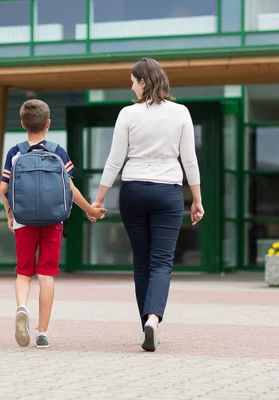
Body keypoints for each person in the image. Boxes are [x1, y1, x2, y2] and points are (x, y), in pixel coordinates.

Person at [88, 58, 204, 352]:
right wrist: (197, 199)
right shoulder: (180, 113)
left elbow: (115, 160)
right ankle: (153, 318)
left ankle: (145, 327)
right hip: (168, 192)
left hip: (134, 191)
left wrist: (99, 200)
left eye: (132, 81)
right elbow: (189, 160)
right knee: (161, 262)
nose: (131, 86)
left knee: (142, 261)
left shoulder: (128, 114)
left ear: (144, 82)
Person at [0, 99, 106, 349]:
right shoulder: (58, 151)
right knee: (46, 276)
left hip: (23, 220)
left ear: (23, 123)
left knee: (24, 272)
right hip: (53, 222)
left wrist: (9, 213)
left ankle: (22, 308)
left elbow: (4, 188)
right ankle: (43, 333)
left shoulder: (15, 152)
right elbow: (70, 187)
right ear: (48, 124)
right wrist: (91, 209)